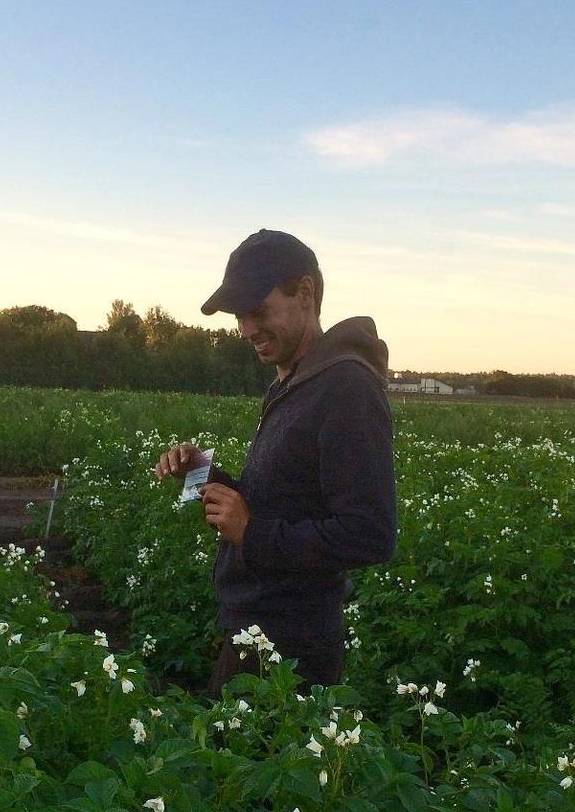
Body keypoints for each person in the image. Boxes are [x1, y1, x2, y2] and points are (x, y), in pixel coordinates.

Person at [154, 229, 396, 697]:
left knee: (241, 769)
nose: (246, 330)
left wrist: (252, 533)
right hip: (257, 632)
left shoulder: (346, 387)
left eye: (259, 312)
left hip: (291, 649)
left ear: (304, 293)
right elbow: (279, 500)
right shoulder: (294, 381)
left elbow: (371, 534)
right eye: (241, 317)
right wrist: (201, 473)